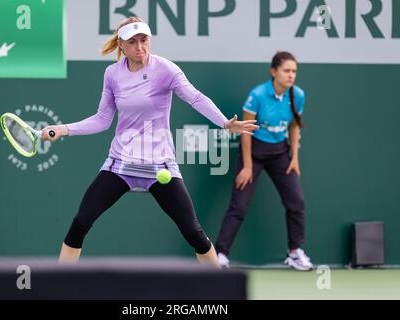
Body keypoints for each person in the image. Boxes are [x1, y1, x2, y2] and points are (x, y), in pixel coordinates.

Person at [41, 17, 258, 268]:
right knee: (81, 222)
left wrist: (224, 122)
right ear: (121, 45)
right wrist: (64, 129)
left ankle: (219, 288)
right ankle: (58, 284)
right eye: (132, 42)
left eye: (144, 40)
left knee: (193, 232)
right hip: (120, 164)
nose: (140, 47)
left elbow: (195, 98)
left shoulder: (166, 69)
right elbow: (102, 119)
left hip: (160, 166)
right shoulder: (112, 74)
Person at [215, 52, 313, 271]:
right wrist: (248, 166)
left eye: (294, 71)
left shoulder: (298, 95)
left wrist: (294, 157)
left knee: (296, 202)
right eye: (286, 70)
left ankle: (295, 252)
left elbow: (295, 126)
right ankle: (220, 254)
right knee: (239, 206)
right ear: (274, 71)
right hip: (254, 152)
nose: (291, 75)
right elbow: (246, 132)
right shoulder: (257, 95)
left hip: (280, 153)